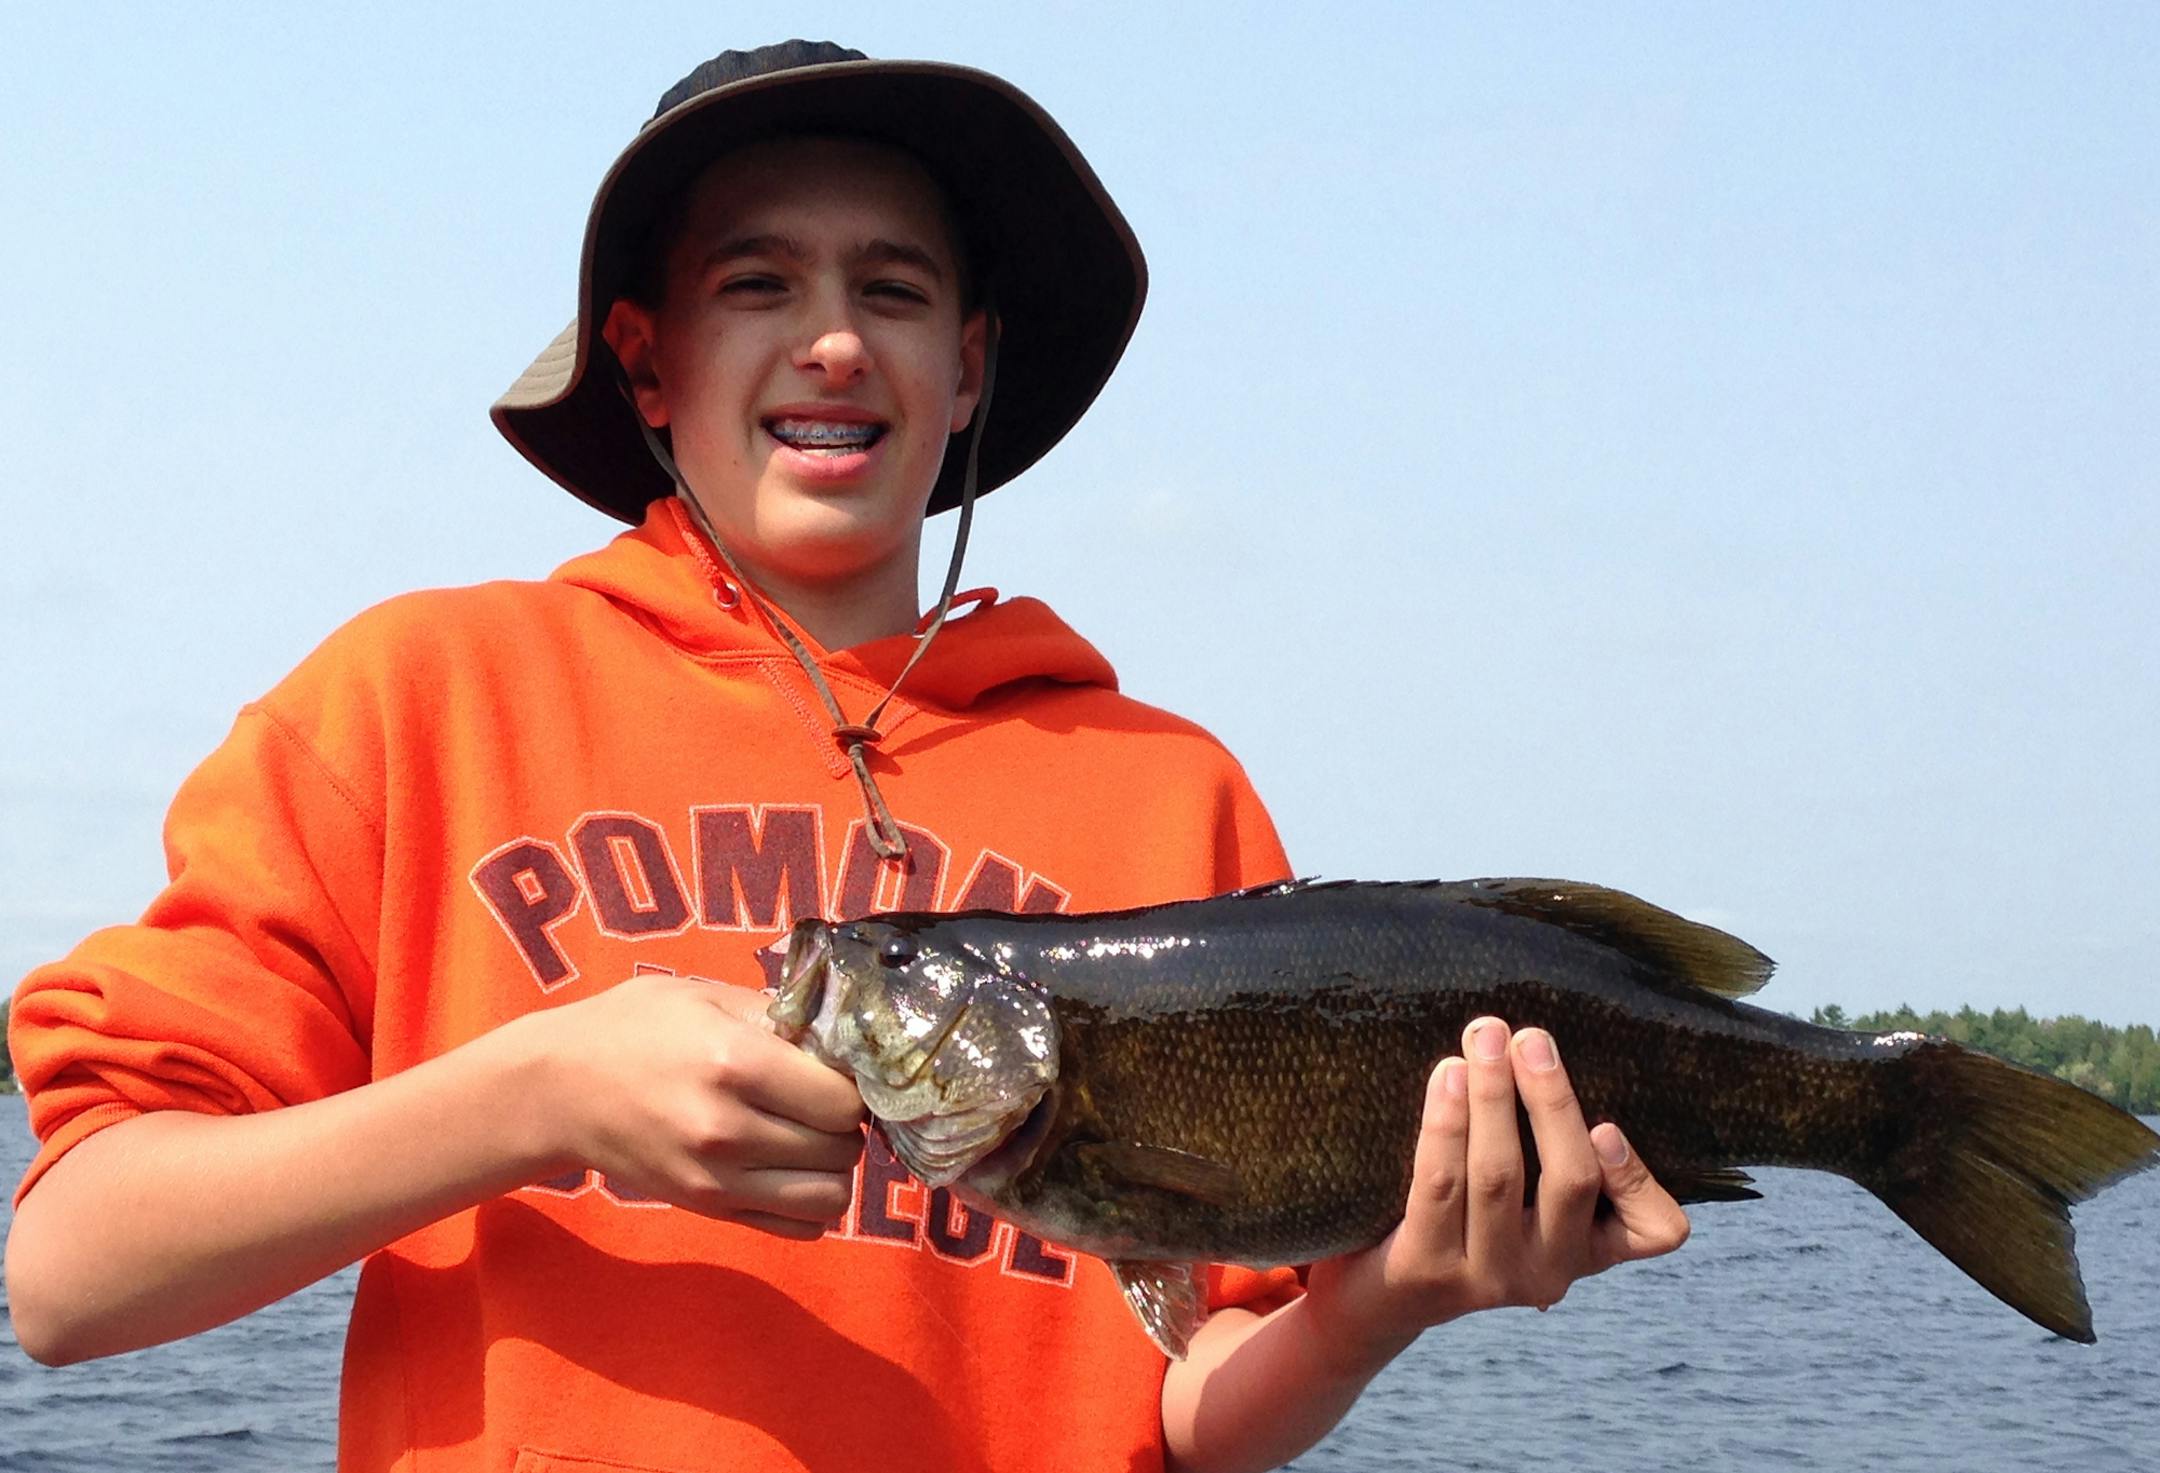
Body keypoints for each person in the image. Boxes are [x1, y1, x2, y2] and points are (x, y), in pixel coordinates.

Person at [5, 40, 1690, 1473]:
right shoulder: (415, 702)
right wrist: (532, 1096)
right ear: (646, 362)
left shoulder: (1168, 788)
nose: (832, 340)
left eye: (893, 290)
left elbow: (1190, 1397)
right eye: (760, 284)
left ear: (967, 370)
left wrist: (1379, 1303)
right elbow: (70, 1273)